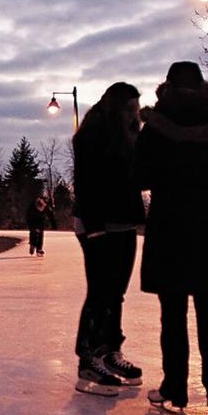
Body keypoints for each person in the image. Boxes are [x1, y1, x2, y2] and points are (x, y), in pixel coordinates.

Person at [137, 62, 208, 415]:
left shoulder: (155, 127)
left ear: (167, 87)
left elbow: (139, 173)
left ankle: (174, 389)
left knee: (172, 313)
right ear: (203, 87)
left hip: (170, 226)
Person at [71, 82, 146, 397]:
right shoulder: (92, 135)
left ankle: (110, 351)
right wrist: (95, 225)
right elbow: (86, 182)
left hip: (124, 222)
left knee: (116, 292)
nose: (135, 113)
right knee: (100, 292)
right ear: (117, 106)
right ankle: (87, 359)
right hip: (97, 224)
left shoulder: (130, 136)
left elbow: (141, 176)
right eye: (131, 107)